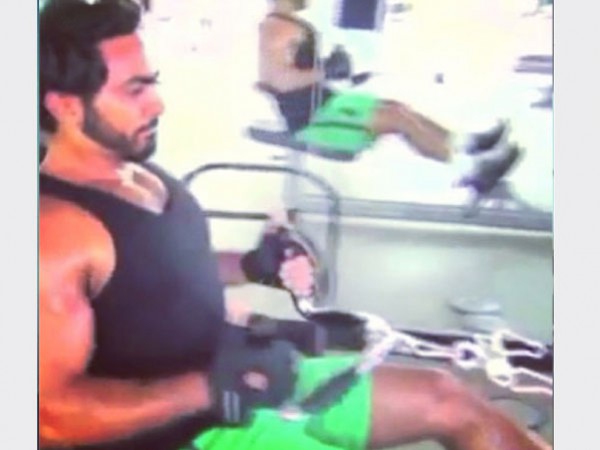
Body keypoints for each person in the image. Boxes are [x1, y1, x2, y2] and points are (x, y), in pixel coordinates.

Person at [39, 1, 551, 450]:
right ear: (64, 105)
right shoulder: (54, 232)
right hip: (189, 431)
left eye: (151, 83)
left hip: (243, 380)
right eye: (133, 90)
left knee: (449, 398)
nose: (156, 103)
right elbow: (49, 417)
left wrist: (252, 266)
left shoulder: (137, 171)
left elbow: (154, 278)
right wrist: (207, 388)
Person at [258, 0, 521, 193]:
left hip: (326, 102)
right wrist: (326, 71)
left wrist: (339, 70)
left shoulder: (288, 24)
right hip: (312, 121)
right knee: (398, 119)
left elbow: (300, 71)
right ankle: (472, 171)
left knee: (398, 108)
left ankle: (467, 143)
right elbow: (277, 80)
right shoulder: (276, 29)